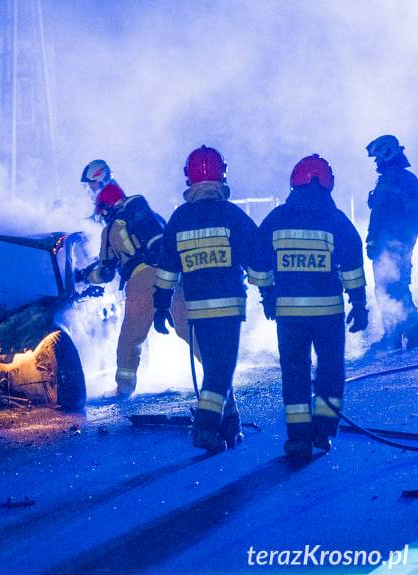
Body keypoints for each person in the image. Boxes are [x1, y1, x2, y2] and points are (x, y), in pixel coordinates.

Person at [254, 154, 368, 461]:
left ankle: (298, 439)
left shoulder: (276, 219)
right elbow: (353, 267)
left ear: (295, 182)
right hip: (328, 315)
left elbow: (258, 262)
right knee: (331, 370)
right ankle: (323, 432)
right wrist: (359, 304)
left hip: (289, 316)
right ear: (327, 182)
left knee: (294, 373)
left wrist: (267, 295)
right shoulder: (336, 220)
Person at [153, 145, 261, 453]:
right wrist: (269, 294)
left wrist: (161, 307)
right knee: (221, 370)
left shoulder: (179, 219)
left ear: (189, 179)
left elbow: (166, 270)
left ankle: (230, 427)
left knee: (215, 368)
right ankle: (204, 427)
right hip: (228, 308)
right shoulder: (231, 215)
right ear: (222, 176)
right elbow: (256, 259)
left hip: (196, 310)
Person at [74, 159, 191, 399]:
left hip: (141, 281)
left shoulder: (111, 228)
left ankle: (124, 389)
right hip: (173, 278)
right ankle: (217, 375)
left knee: (130, 339)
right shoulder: (150, 215)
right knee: (188, 329)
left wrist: (82, 276)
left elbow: (105, 272)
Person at [365, 135, 418, 350]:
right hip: (393, 243)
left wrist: (383, 242)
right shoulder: (396, 178)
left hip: (393, 244)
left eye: (377, 158)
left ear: (387, 154)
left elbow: (384, 214)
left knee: (391, 288)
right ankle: (397, 333)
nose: (376, 163)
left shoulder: (399, 180)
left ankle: (404, 332)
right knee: (392, 287)